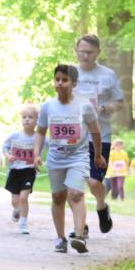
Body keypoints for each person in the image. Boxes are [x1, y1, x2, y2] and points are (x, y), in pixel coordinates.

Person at [34, 64, 103, 254]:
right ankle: (60, 238)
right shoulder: (48, 106)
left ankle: (79, 237)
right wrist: (37, 154)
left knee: (76, 194)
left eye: (64, 80)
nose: (60, 83)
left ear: (74, 83)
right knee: (58, 197)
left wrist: (97, 155)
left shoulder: (84, 105)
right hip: (56, 157)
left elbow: (96, 132)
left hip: (78, 156)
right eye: (57, 79)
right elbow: (40, 132)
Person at [75, 34, 124, 235]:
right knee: (74, 188)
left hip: (100, 136)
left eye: (90, 52)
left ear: (98, 53)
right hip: (74, 138)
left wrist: (103, 109)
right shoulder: (70, 73)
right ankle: (80, 228)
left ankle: (102, 206)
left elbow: (119, 102)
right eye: (82, 51)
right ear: (76, 51)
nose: (86, 55)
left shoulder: (107, 75)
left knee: (94, 182)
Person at [3, 105, 39, 234]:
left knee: (24, 198)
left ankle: (23, 224)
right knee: (15, 200)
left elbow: (51, 146)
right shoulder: (15, 136)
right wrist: (8, 155)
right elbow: (5, 147)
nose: (27, 120)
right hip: (15, 170)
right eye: (24, 117)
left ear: (37, 121)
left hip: (29, 171)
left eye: (30, 117)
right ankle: (17, 210)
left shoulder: (38, 137)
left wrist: (38, 159)